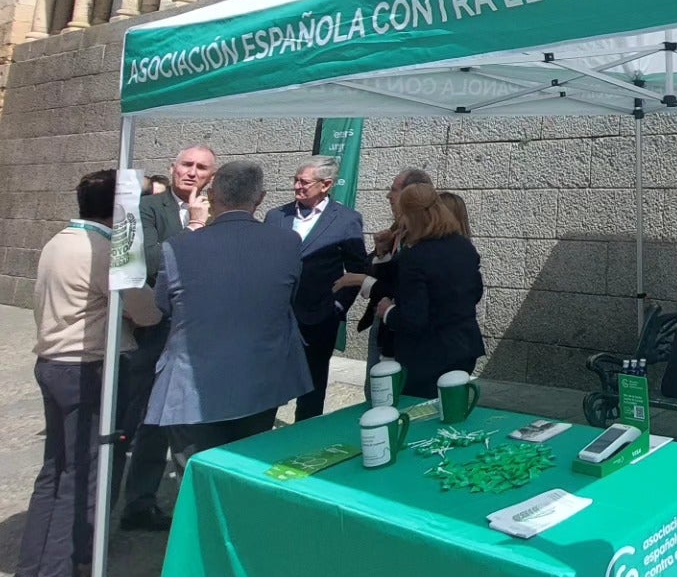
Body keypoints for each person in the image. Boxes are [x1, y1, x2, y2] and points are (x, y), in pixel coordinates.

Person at [9, 171, 160, 577]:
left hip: (53, 363)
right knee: (83, 481)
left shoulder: (60, 240)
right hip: (86, 368)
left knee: (54, 474)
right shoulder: (107, 250)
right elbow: (146, 311)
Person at [145, 161, 311, 469]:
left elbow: (165, 305)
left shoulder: (179, 246)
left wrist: (193, 228)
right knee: (247, 471)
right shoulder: (287, 242)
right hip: (262, 380)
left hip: (193, 385)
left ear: (212, 196)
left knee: (198, 479)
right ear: (259, 198)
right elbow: (288, 297)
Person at [119, 143, 216, 532]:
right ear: (172, 168)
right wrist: (194, 228)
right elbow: (153, 261)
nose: (192, 172)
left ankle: (194, 503)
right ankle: (136, 504)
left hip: (200, 330)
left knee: (193, 417)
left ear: (212, 175)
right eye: (186, 165)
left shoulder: (218, 210)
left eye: (201, 167)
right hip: (156, 330)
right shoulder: (148, 209)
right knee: (147, 418)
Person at [340, 183, 483, 399]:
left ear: (411, 216)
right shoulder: (464, 247)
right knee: (453, 410)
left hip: (426, 356)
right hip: (463, 348)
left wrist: (387, 311)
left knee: (421, 418)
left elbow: (413, 319)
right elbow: (475, 293)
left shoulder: (415, 257)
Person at [264, 158, 369, 421]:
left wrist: (337, 307)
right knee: (269, 381)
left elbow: (357, 268)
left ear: (326, 185)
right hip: (276, 315)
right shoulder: (276, 216)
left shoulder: (346, 220)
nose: (297, 187)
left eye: (304, 182)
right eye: (295, 180)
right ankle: (259, 437)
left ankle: (304, 438)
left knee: (312, 384)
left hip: (319, 316)